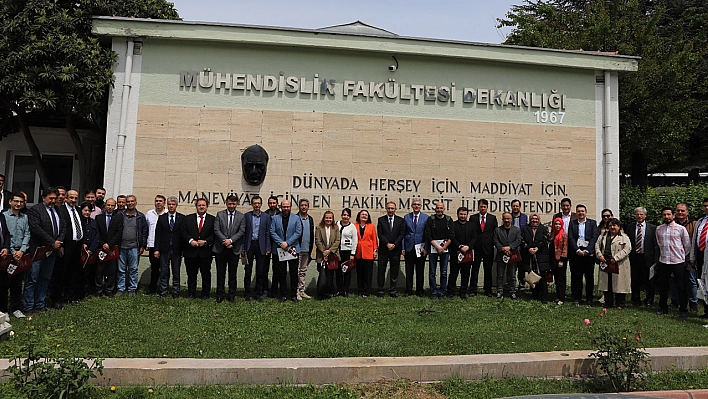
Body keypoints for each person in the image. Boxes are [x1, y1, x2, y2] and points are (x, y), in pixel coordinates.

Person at [24, 187, 65, 314]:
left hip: (52, 251)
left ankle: (40, 304)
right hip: (38, 250)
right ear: (43, 198)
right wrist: (52, 242)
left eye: (55, 198)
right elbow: (36, 229)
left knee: (45, 278)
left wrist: (58, 243)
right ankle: (29, 306)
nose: (53, 201)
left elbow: (63, 227)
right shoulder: (35, 210)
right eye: (50, 198)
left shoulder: (57, 210)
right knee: (32, 278)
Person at [656, 207, 691, 317]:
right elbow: (658, 243)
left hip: (678, 261)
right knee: (663, 286)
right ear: (662, 216)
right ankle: (663, 308)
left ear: (673, 215)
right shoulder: (659, 229)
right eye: (664, 215)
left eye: (668, 214)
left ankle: (683, 309)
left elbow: (687, 245)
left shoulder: (680, 229)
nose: (666, 217)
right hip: (664, 261)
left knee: (681, 286)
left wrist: (681, 256)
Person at [52, 189, 83, 308]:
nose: (73, 200)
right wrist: (61, 246)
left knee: (73, 272)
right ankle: (57, 299)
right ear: (66, 198)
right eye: (71, 198)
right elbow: (60, 229)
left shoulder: (78, 210)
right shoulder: (60, 211)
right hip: (65, 246)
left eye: (75, 198)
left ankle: (70, 297)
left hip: (77, 245)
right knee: (61, 273)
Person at [213, 195, 245, 303]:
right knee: (220, 273)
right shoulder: (219, 214)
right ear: (226, 203)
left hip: (234, 249)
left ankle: (231, 295)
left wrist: (230, 241)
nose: (231, 206)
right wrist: (225, 241)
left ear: (237, 204)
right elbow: (216, 230)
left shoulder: (241, 216)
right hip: (220, 249)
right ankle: (220, 294)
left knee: (233, 273)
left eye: (234, 204)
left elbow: (241, 231)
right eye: (229, 203)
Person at [182, 198, 215, 300]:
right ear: (196, 207)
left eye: (203, 205)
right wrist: (190, 240)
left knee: (206, 274)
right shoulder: (188, 218)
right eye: (199, 205)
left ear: (207, 207)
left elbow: (215, 234)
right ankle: (191, 293)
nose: (201, 207)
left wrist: (205, 242)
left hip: (205, 252)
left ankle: (205, 294)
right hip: (191, 252)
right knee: (191, 274)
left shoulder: (212, 219)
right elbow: (183, 232)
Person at [3, 192, 30, 317]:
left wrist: (22, 250)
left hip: (21, 253)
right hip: (8, 253)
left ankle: (15, 308)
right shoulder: (4, 216)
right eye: (16, 201)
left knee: (18, 283)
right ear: (10, 202)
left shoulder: (24, 217)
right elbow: (5, 236)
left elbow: (27, 234)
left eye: (21, 202)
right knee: (3, 284)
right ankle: (3, 310)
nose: (18, 204)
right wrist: (13, 251)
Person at [269, 199, 301, 303]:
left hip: (292, 248)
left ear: (290, 207)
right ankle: (283, 295)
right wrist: (281, 243)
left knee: (293, 273)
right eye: (284, 207)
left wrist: (288, 243)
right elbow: (272, 231)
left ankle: (293, 295)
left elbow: (298, 232)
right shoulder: (275, 218)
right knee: (281, 273)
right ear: (280, 207)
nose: (286, 208)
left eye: (287, 206)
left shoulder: (296, 218)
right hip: (279, 249)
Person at [596, 217, 631, 309]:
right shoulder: (603, 236)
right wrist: (600, 255)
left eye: (614, 225)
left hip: (619, 263)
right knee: (607, 284)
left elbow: (627, 249)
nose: (612, 227)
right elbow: (597, 246)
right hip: (606, 262)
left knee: (620, 284)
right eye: (610, 225)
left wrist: (616, 258)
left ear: (619, 226)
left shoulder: (624, 237)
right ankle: (608, 303)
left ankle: (620, 304)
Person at [626, 207, 658, 307]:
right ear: (635, 215)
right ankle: (636, 300)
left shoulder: (652, 228)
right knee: (635, 279)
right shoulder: (630, 227)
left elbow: (656, 245)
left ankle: (649, 300)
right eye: (637, 214)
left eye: (641, 214)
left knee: (650, 280)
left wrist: (656, 260)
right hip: (635, 257)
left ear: (645, 215)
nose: (639, 216)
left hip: (648, 258)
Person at [568, 204, 599, 306]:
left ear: (586, 212)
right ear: (576, 213)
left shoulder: (592, 223)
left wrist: (588, 251)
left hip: (588, 254)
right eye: (579, 211)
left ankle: (589, 299)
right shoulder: (572, 224)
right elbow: (571, 238)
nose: (580, 213)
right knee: (577, 277)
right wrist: (577, 250)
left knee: (589, 277)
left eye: (582, 211)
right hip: (576, 254)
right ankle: (577, 298)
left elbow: (594, 238)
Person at [154, 196, 185, 298]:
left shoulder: (182, 218)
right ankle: (163, 291)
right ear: (167, 205)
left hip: (176, 249)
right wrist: (157, 249)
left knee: (176, 271)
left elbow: (183, 234)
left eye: (173, 204)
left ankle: (175, 291)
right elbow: (157, 234)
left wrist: (183, 250)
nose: (171, 206)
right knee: (164, 271)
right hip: (164, 249)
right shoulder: (162, 218)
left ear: (176, 205)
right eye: (170, 204)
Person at [117, 195, 147, 296]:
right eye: (128, 201)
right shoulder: (120, 215)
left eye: (132, 201)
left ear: (135, 203)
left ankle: (132, 289)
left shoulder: (140, 216)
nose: (130, 203)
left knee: (133, 269)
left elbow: (144, 232)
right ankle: (121, 288)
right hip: (122, 247)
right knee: (121, 269)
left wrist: (142, 246)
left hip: (134, 247)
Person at [242, 196, 271, 301]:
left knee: (260, 271)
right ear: (252, 204)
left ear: (261, 204)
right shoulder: (247, 216)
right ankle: (247, 293)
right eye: (254, 203)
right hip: (249, 246)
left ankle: (258, 293)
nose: (256, 205)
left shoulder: (266, 217)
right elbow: (244, 234)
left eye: (258, 203)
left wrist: (268, 248)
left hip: (261, 246)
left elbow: (268, 233)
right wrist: (243, 248)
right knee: (248, 271)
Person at [469, 199, 498, 297]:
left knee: (488, 270)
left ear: (487, 207)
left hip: (488, 248)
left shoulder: (492, 218)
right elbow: (471, 232)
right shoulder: (473, 218)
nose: (482, 208)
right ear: (478, 207)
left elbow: (495, 233)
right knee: (475, 269)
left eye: (484, 207)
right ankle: (473, 289)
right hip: (476, 248)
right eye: (481, 207)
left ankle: (488, 290)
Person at [425, 201, 453, 299]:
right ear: (435, 209)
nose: (439, 210)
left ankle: (441, 291)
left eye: (441, 208)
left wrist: (444, 247)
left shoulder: (449, 220)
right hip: (433, 249)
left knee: (444, 272)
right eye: (437, 208)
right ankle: (433, 292)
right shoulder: (430, 220)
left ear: (444, 209)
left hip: (445, 250)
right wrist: (437, 247)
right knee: (432, 272)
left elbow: (451, 236)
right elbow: (428, 235)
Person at [376, 202, 405, 297]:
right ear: (386, 209)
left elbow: (402, 234)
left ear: (395, 209)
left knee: (394, 271)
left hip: (395, 250)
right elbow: (380, 234)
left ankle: (393, 290)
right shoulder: (381, 220)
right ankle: (380, 290)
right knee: (381, 271)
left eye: (392, 208)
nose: (390, 210)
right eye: (388, 208)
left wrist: (395, 244)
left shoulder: (400, 220)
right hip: (384, 249)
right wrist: (387, 244)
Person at [95, 198, 123, 297]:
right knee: (99, 270)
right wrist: (103, 244)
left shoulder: (119, 218)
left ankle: (109, 290)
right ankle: (98, 290)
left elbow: (119, 233)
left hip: (112, 248)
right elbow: (97, 232)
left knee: (112, 270)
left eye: (112, 205)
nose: (110, 207)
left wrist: (109, 244)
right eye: (108, 205)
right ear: (105, 206)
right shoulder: (99, 218)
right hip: (101, 248)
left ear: (114, 206)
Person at [448, 206, 477, 299]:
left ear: (467, 215)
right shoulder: (453, 224)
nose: (463, 216)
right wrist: (459, 246)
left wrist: (468, 246)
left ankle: (463, 292)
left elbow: (475, 238)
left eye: (464, 214)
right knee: (453, 273)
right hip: (455, 253)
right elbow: (452, 237)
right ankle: (451, 291)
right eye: (461, 214)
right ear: (457, 214)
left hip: (467, 253)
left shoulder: (472, 225)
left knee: (465, 274)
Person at [521, 214, 550, 303]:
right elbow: (522, 240)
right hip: (529, 256)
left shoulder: (544, 229)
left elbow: (546, 240)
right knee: (532, 275)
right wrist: (528, 248)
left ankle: (544, 297)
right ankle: (534, 294)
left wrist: (537, 248)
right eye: (532, 219)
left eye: (536, 219)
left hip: (541, 256)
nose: (534, 220)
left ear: (539, 220)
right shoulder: (525, 229)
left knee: (542, 277)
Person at [403, 199, 429, 297]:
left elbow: (427, 234)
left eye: (418, 205)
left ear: (421, 206)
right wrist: (403, 247)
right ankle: (409, 290)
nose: (416, 206)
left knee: (420, 270)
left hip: (421, 249)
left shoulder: (426, 218)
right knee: (409, 271)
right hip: (409, 247)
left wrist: (426, 248)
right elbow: (403, 233)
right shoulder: (406, 217)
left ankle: (419, 290)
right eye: (414, 204)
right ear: (411, 206)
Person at [493, 212, 522, 299]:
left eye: (508, 219)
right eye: (505, 219)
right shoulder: (497, 230)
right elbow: (495, 240)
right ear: (502, 219)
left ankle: (512, 291)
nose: (506, 220)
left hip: (512, 254)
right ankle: (499, 291)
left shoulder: (516, 230)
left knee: (512, 275)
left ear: (511, 219)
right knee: (500, 275)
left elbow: (518, 240)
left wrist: (510, 247)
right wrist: (502, 248)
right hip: (501, 254)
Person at [675, 203, 698, 312]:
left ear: (687, 212)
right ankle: (675, 301)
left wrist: (693, 257)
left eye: (682, 211)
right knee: (674, 280)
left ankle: (693, 303)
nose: (680, 213)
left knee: (691, 280)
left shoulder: (694, 224)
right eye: (678, 210)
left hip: (690, 257)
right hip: (675, 258)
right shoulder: (672, 223)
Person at [315, 210, 340, 299]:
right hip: (321, 255)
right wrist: (324, 252)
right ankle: (321, 292)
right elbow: (318, 241)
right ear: (324, 218)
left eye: (330, 218)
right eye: (327, 217)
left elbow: (337, 241)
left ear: (333, 219)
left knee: (330, 275)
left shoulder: (336, 228)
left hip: (332, 255)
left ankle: (328, 292)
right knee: (322, 273)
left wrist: (329, 251)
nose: (328, 219)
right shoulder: (319, 228)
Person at [689, 198, 708, 318]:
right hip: (701, 254)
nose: (707, 208)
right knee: (703, 283)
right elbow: (695, 239)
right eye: (705, 206)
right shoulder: (701, 221)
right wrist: (692, 256)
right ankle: (707, 311)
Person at [145, 195, 167, 294]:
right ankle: (152, 288)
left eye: (160, 201)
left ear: (164, 203)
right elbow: (145, 229)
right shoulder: (149, 214)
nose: (158, 203)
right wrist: (146, 242)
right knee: (154, 268)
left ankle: (164, 288)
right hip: (152, 245)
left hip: (165, 246)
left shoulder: (167, 214)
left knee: (165, 268)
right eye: (156, 201)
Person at [78, 201, 100, 298]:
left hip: (90, 252)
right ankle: (76, 293)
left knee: (88, 273)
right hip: (80, 252)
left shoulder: (94, 222)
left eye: (89, 211)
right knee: (78, 273)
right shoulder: (78, 222)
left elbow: (97, 236)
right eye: (85, 210)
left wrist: (92, 249)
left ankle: (85, 292)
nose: (87, 212)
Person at [354, 209, 377, 297]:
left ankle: (366, 291)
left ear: (368, 217)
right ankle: (360, 290)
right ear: (359, 216)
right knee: (360, 273)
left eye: (366, 215)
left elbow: (374, 239)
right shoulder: (354, 225)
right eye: (362, 214)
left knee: (368, 274)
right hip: (358, 252)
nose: (364, 216)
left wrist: (375, 250)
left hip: (368, 252)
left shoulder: (371, 226)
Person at [296, 199, 315, 300]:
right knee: (296, 271)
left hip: (307, 249)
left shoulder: (310, 219)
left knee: (303, 271)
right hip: (297, 249)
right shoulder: (295, 218)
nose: (304, 207)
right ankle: (296, 292)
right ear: (299, 207)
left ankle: (301, 291)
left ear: (308, 207)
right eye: (302, 205)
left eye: (305, 205)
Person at [336, 208, 356, 297]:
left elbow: (355, 240)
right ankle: (339, 290)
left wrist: (353, 253)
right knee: (338, 271)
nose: (345, 217)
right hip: (337, 251)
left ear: (350, 217)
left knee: (347, 271)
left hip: (347, 251)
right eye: (344, 215)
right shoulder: (337, 224)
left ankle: (345, 290)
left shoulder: (352, 227)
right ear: (341, 215)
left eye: (347, 215)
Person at [511, 199, 530, 291]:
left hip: (522, 247)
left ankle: (522, 284)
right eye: (514, 206)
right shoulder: (508, 217)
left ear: (520, 207)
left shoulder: (525, 217)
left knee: (522, 267)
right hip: (512, 246)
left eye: (517, 206)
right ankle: (511, 284)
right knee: (512, 266)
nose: (515, 207)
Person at [550, 217, 569, 305]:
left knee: (561, 279)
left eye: (559, 224)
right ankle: (558, 296)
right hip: (553, 259)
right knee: (556, 279)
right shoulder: (552, 234)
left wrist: (562, 259)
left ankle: (562, 298)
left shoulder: (564, 235)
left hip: (561, 260)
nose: (557, 226)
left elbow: (565, 248)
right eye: (556, 224)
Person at [266, 195, 281, 298]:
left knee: (276, 269)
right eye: (270, 203)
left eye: (274, 203)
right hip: (266, 244)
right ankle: (265, 290)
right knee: (264, 268)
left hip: (277, 245)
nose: (272, 205)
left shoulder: (281, 214)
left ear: (277, 204)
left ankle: (274, 291)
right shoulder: (265, 214)